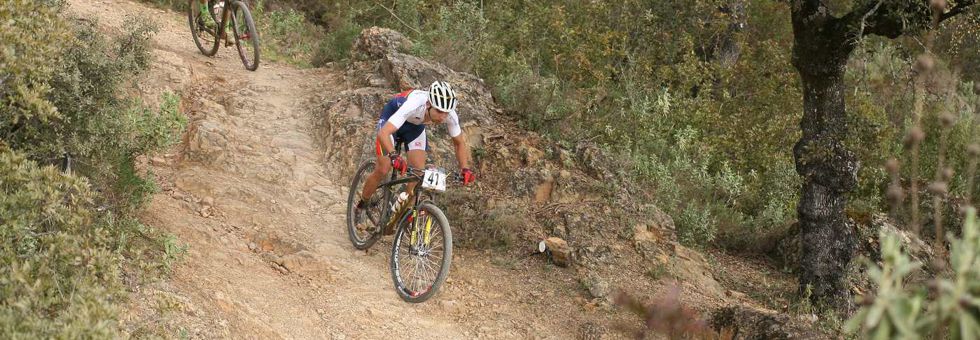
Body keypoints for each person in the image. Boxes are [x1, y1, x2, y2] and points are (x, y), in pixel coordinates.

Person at [354, 81, 476, 216]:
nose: (443, 117)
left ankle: (401, 211)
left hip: (414, 127)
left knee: (417, 174)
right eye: (439, 111)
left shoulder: (450, 115)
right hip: (392, 119)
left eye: (446, 113)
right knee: (384, 167)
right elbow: (384, 133)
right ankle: (362, 205)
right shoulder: (415, 104)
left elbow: (459, 143)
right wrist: (394, 155)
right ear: (429, 104)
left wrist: (465, 169)